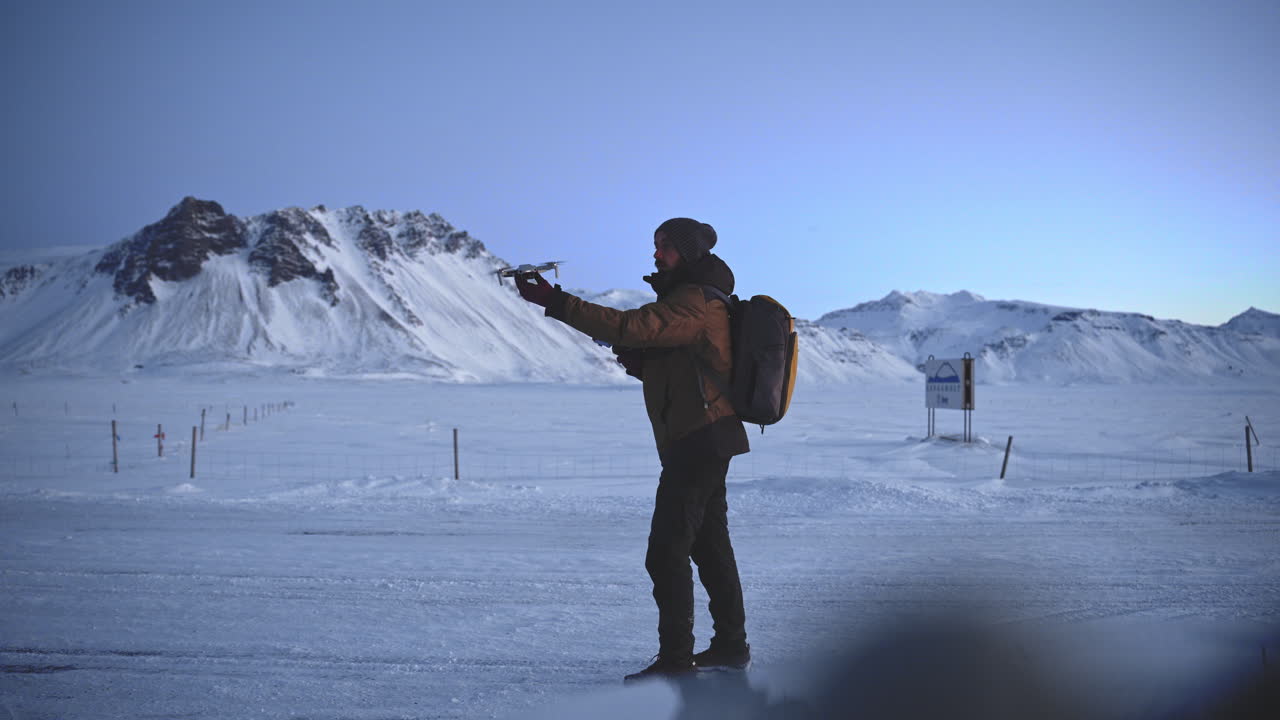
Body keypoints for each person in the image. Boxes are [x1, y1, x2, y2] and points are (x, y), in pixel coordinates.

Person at [514, 218, 752, 682]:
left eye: (665, 247)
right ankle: (730, 646)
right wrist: (644, 364)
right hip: (707, 434)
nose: (657, 254)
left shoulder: (695, 300)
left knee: (666, 551)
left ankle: (677, 661)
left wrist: (554, 300)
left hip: (699, 439)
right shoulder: (697, 299)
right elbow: (688, 369)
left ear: (687, 253)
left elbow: (629, 324)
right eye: (656, 245)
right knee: (708, 545)